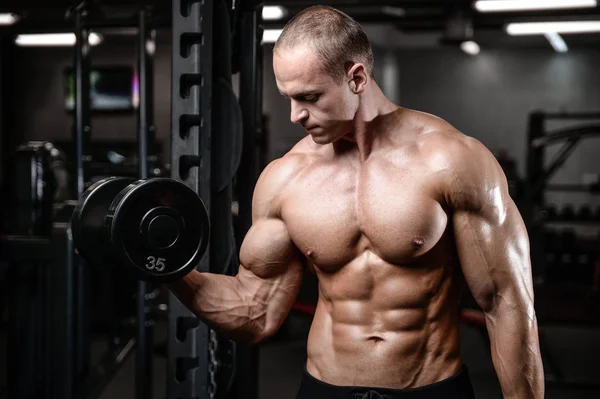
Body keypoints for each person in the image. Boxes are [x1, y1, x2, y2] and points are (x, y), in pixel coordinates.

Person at [168, 5, 544, 399]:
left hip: (430, 389)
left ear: (357, 78)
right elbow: (255, 313)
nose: (295, 115)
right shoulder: (285, 178)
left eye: (309, 97)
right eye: (288, 98)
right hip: (324, 390)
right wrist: (168, 269)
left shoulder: (451, 161)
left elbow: (506, 305)